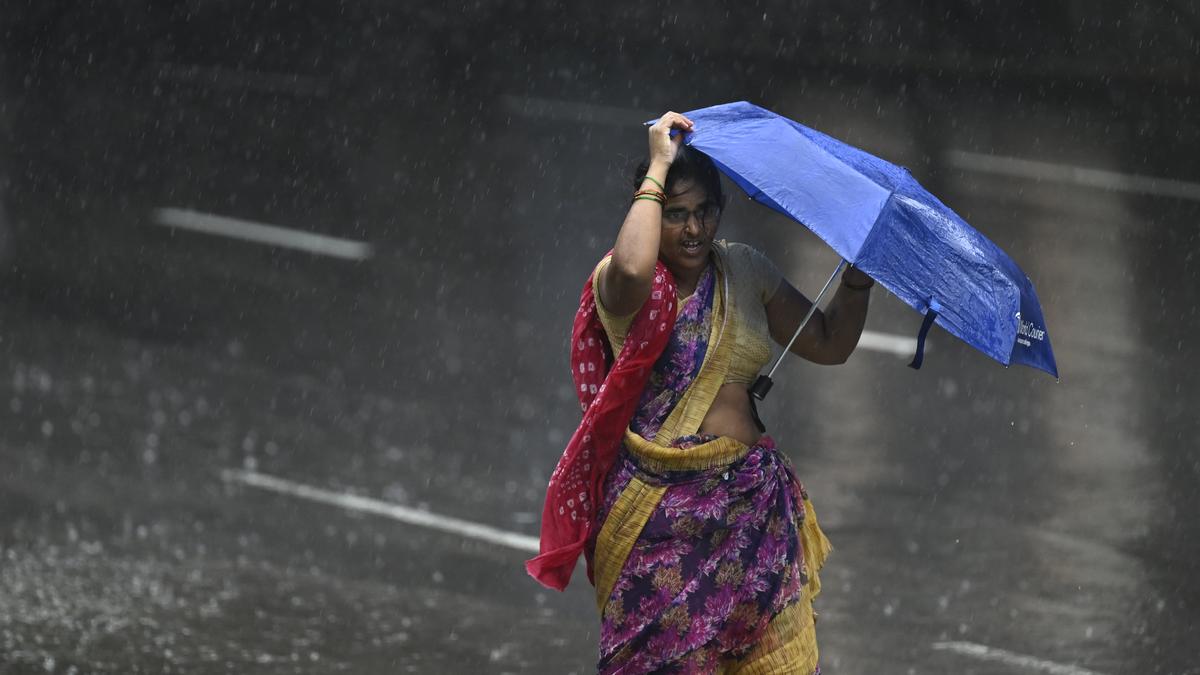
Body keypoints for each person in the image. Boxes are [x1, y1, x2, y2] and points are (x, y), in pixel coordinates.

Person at [528, 111, 873, 673]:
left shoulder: (743, 271)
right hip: (659, 522)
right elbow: (635, 264)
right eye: (675, 215)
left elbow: (831, 342)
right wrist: (659, 163)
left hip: (753, 517)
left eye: (705, 212)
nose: (693, 230)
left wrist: (859, 276)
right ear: (650, 207)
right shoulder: (625, 286)